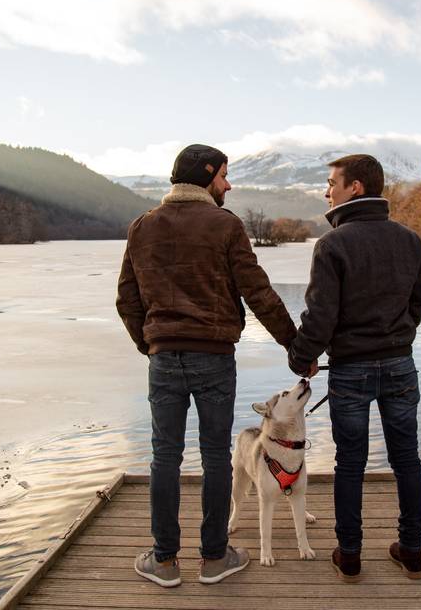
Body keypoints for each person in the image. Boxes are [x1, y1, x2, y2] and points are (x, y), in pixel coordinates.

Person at [117, 144, 297, 587]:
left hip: (163, 360)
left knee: (165, 457)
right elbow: (258, 293)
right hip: (214, 358)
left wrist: (152, 343)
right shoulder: (224, 225)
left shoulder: (143, 226)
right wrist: (297, 348)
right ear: (207, 175)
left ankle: (164, 562)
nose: (229, 185)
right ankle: (215, 558)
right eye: (224, 177)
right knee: (216, 457)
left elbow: (127, 299)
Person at [287, 154, 421, 582]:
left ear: (357, 187)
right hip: (400, 365)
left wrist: (302, 356)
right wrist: (396, 338)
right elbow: (417, 305)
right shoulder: (411, 240)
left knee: (351, 463)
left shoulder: (332, 245)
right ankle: (412, 551)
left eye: (333, 183)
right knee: (407, 459)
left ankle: (349, 555)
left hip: (351, 369)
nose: (327, 191)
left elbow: (320, 315)